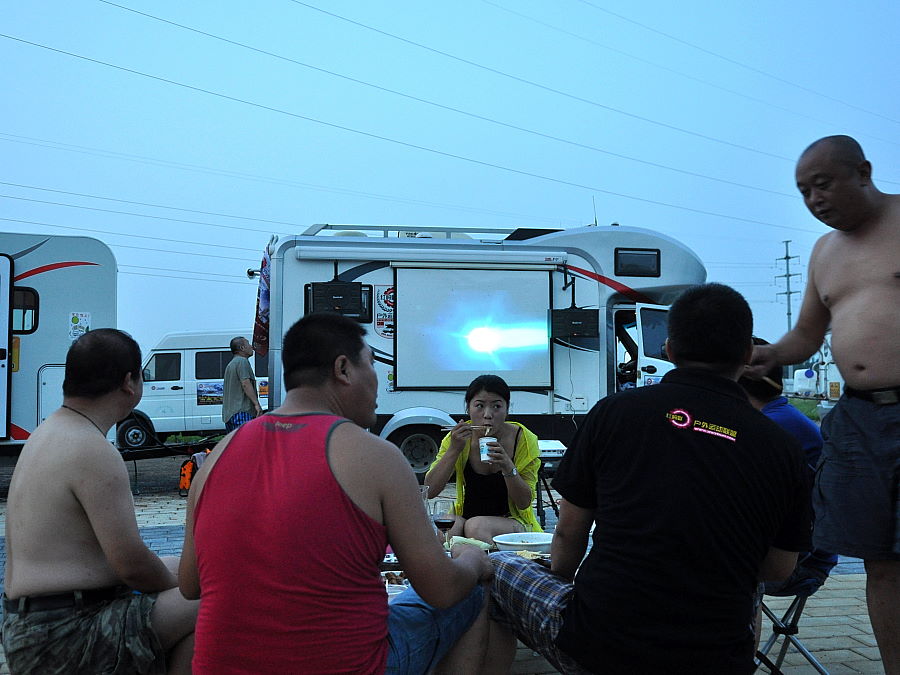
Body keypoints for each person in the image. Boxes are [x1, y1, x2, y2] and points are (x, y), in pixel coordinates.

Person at [486, 283, 812, 674]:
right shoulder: (782, 447)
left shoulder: (613, 413)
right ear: (746, 355)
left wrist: (563, 585)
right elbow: (777, 570)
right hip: (715, 655)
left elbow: (569, 534)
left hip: (602, 644)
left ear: (669, 350)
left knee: (494, 566)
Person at [180, 312, 494, 674]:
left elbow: (190, 585)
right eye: (371, 365)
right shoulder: (376, 456)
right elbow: (441, 589)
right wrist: (472, 560)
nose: (378, 381)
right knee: (471, 592)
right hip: (345, 665)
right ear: (343, 369)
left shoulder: (218, 456)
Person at [747, 135, 900, 673]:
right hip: (859, 419)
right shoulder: (824, 252)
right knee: (880, 562)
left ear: (864, 172)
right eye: (804, 191)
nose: (814, 199)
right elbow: (807, 337)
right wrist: (765, 355)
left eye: (823, 184)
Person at [1, 329, 198, 675]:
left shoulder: (49, 433)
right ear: (129, 382)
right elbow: (132, 566)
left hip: (32, 626)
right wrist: (185, 586)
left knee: (178, 566)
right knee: (211, 600)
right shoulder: (93, 449)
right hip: (66, 634)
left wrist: (181, 571)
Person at [739, 338, 837, 643]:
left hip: (801, 564)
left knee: (716, 563)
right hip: (806, 554)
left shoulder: (768, 428)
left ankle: (740, 657)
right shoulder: (781, 416)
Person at [424, 374, 542, 543]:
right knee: (450, 528)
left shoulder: (524, 439)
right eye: (479, 406)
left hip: (511, 519)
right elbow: (430, 491)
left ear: (507, 409)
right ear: (468, 408)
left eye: (496, 406)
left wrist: (508, 467)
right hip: (467, 515)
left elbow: (524, 502)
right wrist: (454, 450)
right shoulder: (457, 438)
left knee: (477, 526)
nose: (487, 415)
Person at [221, 335, 262, 432]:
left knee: (235, 440)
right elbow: (245, 383)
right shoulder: (242, 361)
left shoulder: (232, 363)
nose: (251, 346)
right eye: (248, 344)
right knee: (246, 439)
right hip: (242, 412)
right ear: (242, 348)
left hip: (230, 414)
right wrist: (256, 404)